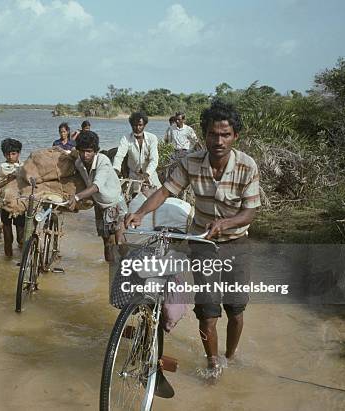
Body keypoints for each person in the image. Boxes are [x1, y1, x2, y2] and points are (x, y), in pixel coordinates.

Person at [125, 100, 261, 378]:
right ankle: (213, 364)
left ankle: (231, 356)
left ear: (235, 136)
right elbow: (165, 192)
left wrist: (225, 223)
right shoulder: (191, 162)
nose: (219, 140)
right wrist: (138, 214)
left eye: (225, 134)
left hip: (236, 243)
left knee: (235, 309)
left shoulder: (247, 166)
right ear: (204, 134)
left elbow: (250, 212)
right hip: (202, 241)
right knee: (207, 311)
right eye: (213, 134)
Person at [68, 130, 127, 262]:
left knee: (119, 241)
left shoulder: (103, 161)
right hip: (99, 206)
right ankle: (109, 270)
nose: (85, 155)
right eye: (82, 151)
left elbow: (96, 187)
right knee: (107, 243)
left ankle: (127, 269)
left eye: (89, 151)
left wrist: (77, 197)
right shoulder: (79, 163)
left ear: (95, 151)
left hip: (114, 203)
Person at [0, 138, 25, 257]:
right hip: (5, 205)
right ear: (4, 154)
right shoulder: (1, 169)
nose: (10, 156)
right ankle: (8, 260)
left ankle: (22, 259)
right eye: (7, 154)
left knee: (21, 236)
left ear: (18, 153)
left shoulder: (24, 167)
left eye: (13, 153)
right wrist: (6, 181)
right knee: (8, 237)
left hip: (20, 205)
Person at [112, 112, 162, 190]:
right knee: (133, 198)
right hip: (134, 175)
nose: (137, 128)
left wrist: (147, 174)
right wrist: (115, 170)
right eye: (134, 125)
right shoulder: (126, 138)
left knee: (157, 196)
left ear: (144, 125)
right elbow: (119, 156)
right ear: (131, 125)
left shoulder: (152, 138)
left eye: (140, 125)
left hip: (150, 174)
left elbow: (154, 159)